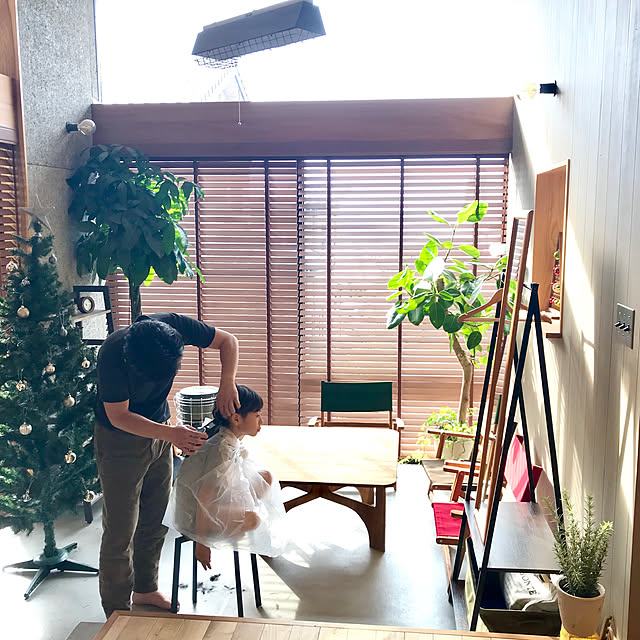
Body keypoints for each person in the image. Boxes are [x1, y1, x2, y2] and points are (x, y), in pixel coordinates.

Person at [94, 312, 239, 618]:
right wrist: (171, 434)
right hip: (120, 441)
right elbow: (118, 416)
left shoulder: (172, 328)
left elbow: (228, 341)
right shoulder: (112, 355)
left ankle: (145, 588)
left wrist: (227, 383)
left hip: (160, 431)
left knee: (155, 517)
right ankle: (117, 614)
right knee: (120, 530)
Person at [165, 385, 287, 570]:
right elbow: (204, 496)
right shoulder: (221, 448)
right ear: (236, 419)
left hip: (212, 501)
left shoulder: (227, 436)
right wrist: (201, 543)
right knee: (253, 519)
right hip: (193, 516)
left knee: (266, 478)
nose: (261, 421)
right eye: (257, 415)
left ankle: (237, 515)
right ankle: (228, 524)